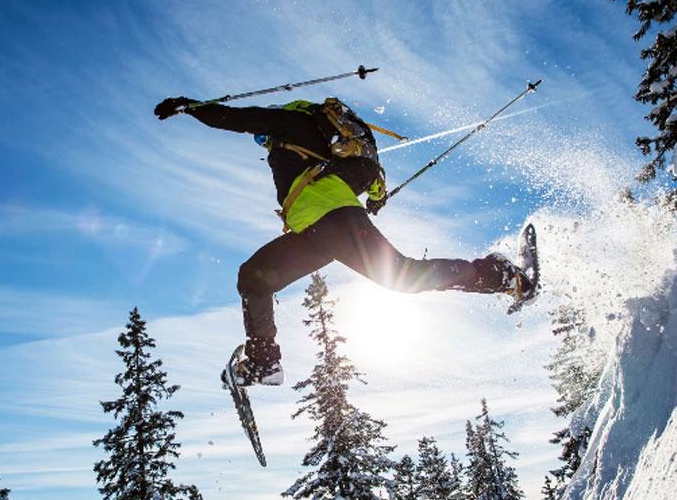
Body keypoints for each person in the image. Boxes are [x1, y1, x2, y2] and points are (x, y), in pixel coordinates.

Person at [154, 95, 533, 386]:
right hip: (315, 231)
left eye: (262, 137)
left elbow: (237, 118)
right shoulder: (322, 145)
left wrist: (192, 107)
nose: (261, 140)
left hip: (333, 222)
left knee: (402, 276)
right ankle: (264, 362)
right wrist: (375, 196)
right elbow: (373, 181)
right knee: (254, 276)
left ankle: (500, 275)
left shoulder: (292, 121)